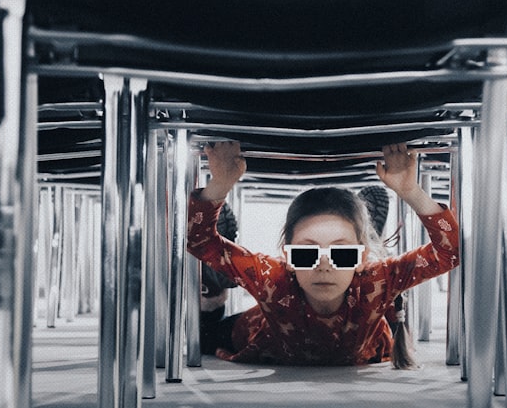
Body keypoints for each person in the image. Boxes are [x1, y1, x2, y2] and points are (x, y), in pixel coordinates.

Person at [188, 141, 459, 367]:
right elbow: (200, 241)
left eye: (341, 253)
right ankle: (213, 291)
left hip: (367, 303)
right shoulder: (273, 278)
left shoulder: (375, 280)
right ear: (288, 258)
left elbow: (450, 252)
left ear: (361, 258)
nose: (324, 266)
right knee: (204, 333)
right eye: (307, 253)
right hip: (254, 330)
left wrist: (411, 192)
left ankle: (362, 237)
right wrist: (219, 185)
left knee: (376, 290)